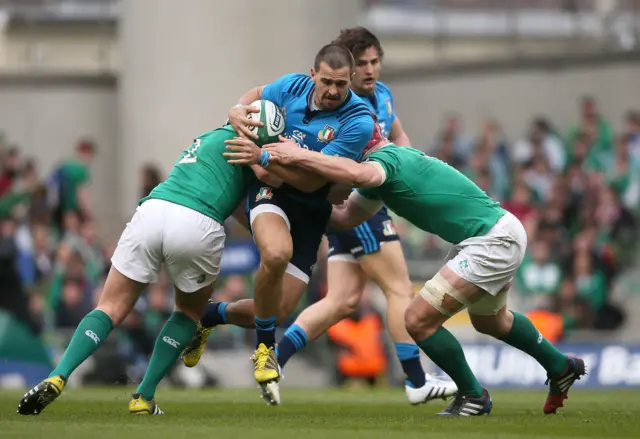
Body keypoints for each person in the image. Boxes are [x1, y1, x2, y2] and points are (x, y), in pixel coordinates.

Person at [225, 132, 586, 416]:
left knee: (417, 320)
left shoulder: (386, 160)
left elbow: (358, 173)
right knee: (493, 322)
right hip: (493, 234)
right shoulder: (382, 175)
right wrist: (285, 200)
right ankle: (560, 365)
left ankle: (474, 395)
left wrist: (287, 157)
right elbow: (344, 217)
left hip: (492, 240)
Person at [17, 122, 279, 416]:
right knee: (189, 311)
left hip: (153, 208)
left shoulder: (212, 134)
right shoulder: (256, 155)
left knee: (110, 306)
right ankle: (144, 395)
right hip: (198, 220)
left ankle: (59, 374)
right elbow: (255, 202)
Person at [265, 27, 457, 405]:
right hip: (358, 205)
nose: (370, 70)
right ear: (348, 70)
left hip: (366, 201)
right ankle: (417, 381)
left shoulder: (383, 97)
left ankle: (275, 360)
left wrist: (409, 167)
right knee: (399, 288)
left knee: (342, 300)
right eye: (362, 64)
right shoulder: (351, 110)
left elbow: (401, 139)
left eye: (375, 61)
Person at [181, 44, 375, 395]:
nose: (333, 91)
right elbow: (257, 94)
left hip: (311, 210)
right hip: (272, 195)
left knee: (275, 311)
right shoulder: (293, 87)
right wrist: (238, 111)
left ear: (351, 82)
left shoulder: (357, 120)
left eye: (341, 85)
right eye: (327, 82)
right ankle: (266, 349)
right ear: (312, 75)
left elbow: (314, 180)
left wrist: (267, 160)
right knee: (275, 253)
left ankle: (209, 316)